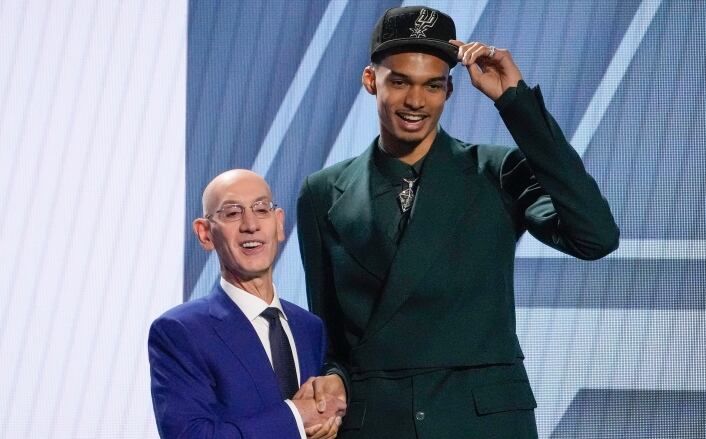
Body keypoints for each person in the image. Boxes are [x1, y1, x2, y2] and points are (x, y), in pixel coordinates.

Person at [295, 6, 620, 439]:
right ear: (371, 81)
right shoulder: (322, 192)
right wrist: (333, 378)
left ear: (449, 89)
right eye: (400, 82)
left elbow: (595, 237)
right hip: (378, 423)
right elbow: (331, 336)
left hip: (483, 421)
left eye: (432, 85)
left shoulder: (497, 170)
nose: (416, 102)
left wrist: (515, 101)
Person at [148, 169, 346, 439]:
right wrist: (296, 417)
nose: (250, 224)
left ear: (279, 224)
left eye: (261, 209)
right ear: (205, 234)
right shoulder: (180, 332)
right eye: (232, 213)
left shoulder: (309, 327)